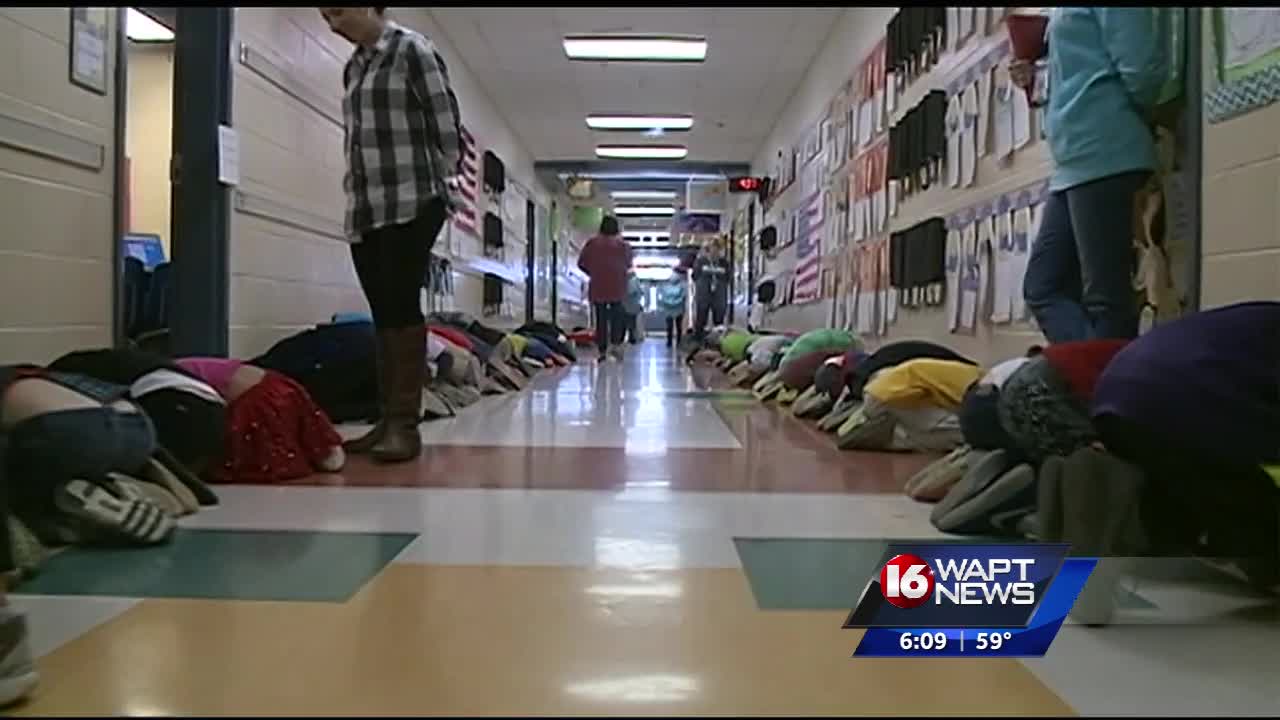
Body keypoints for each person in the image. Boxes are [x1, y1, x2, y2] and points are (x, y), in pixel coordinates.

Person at [321, 7, 461, 463]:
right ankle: (385, 419)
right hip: (366, 206)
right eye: (325, 17)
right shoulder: (354, 67)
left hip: (413, 199)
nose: (333, 24)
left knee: (401, 304)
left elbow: (447, 130)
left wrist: (441, 190)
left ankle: (406, 424)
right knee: (382, 310)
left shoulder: (412, 51)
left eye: (338, 12)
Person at [1090, 302, 1280, 582]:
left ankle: (1125, 512)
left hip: (1115, 391)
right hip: (1184, 399)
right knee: (1259, 514)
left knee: (1184, 483)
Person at [1012, 9, 1169, 343]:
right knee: (1043, 287)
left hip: (1104, 147)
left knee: (1104, 299)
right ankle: (1098, 372)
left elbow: (1142, 71)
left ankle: (1104, 382)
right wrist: (1037, 74)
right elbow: (1080, 65)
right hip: (1073, 160)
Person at [175, 358, 346, 484]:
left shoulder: (167, 377)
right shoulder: (177, 365)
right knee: (306, 433)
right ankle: (321, 450)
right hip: (281, 385)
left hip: (258, 402)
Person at [576, 215, 633, 362]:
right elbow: (628, 264)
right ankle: (615, 346)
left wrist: (593, 272)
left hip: (598, 285)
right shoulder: (624, 246)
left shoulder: (592, 244)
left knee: (601, 318)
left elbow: (581, 263)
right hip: (617, 286)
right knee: (617, 317)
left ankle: (602, 351)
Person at [691, 239, 730, 341]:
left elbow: (728, 278)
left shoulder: (724, 263)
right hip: (703, 295)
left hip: (719, 297)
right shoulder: (701, 262)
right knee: (701, 320)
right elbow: (694, 276)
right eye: (713, 250)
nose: (715, 253)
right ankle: (698, 343)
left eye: (717, 250)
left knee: (719, 322)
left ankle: (718, 344)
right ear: (708, 250)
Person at [658, 269, 688, 348]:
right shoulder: (682, 286)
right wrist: (678, 302)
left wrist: (667, 303)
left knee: (672, 327)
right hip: (677, 309)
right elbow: (683, 297)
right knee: (677, 327)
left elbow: (662, 297)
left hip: (669, 309)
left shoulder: (665, 287)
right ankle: (677, 342)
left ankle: (670, 342)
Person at [622, 270, 645, 346]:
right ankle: (632, 338)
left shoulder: (631, 281)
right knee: (632, 323)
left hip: (629, 306)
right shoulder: (636, 281)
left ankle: (629, 338)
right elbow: (641, 292)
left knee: (628, 323)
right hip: (634, 306)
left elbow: (630, 292)